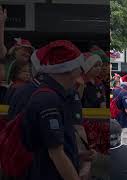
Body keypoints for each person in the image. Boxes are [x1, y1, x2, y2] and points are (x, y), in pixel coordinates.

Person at [21, 40, 84, 180]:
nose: (81, 73)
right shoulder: (48, 100)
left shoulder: (56, 95)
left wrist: (78, 153)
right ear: (68, 70)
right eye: (79, 67)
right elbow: (56, 154)